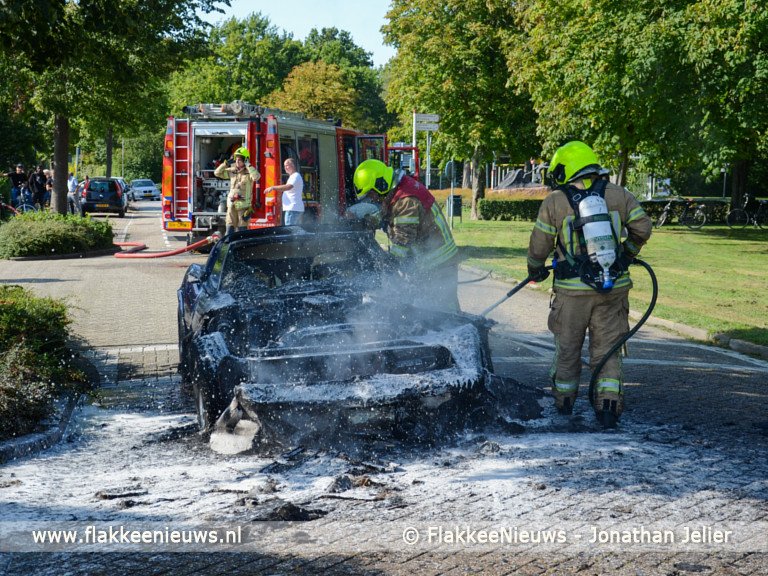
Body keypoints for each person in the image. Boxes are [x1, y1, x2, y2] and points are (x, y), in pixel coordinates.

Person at [527, 141, 652, 427]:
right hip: (613, 288)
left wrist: (535, 270)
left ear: (565, 169)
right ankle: (608, 408)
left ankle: (564, 405)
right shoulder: (619, 194)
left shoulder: (555, 201)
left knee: (568, 348)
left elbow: (539, 246)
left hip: (571, 293)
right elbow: (643, 228)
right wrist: (625, 256)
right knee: (607, 349)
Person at [350, 158, 460, 311]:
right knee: (425, 309)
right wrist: (366, 222)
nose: (372, 199)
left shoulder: (406, 200)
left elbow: (403, 239)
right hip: (427, 261)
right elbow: (385, 213)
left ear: (380, 185)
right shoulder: (398, 190)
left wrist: (387, 265)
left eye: (371, 194)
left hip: (438, 262)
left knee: (443, 310)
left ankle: (463, 332)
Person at [214, 146, 260, 235]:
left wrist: (248, 165)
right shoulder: (232, 171)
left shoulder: (249, 172)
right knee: (229, 231)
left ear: (245, 160)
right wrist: (225, 164)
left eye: (239, 160)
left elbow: (256, 177)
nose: (237, 162)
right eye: (236, 159)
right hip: (231, 206)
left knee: (242, 233)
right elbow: (217, 173)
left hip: (243, 207)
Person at [265, 158, 304, 226]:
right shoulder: (293, 176)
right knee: (294, 231)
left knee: (290, 231)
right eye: (284, 166)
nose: (285, 167)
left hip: (293, 209)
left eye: (287, 165)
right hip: (293, 209)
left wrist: (273, 187)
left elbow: (288, 187)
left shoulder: (295, 176)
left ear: (293, 165)